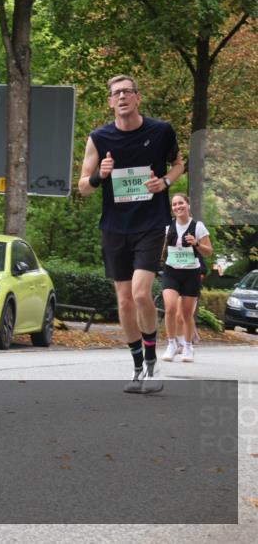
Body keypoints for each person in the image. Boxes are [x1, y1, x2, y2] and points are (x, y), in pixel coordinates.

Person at [79, 74, 185, 394]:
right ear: (110, 102)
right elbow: (83, 187)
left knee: (141, 293)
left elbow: (179, 165)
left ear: (138, 97)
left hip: (151, 223)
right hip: (114, 227)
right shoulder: (99, 138)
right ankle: (138, 366)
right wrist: (100, 175)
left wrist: (164, 183)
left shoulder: (161, 131)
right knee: (125, 303)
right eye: (116, 93)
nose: (122, 97)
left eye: (127, 92)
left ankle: (152, 364)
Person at [160, 192, 213, 363]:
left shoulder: (198, 227)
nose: (178, 207)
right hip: (171, 271)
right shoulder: (168, 226)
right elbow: (162, 249)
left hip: (191, 273)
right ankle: (171, 344)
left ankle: (188, 346)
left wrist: (196, 243)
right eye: (174, 205)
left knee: (186, 314)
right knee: (170, 308)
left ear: (188, 205)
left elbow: (209, 251)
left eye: (180, 203)